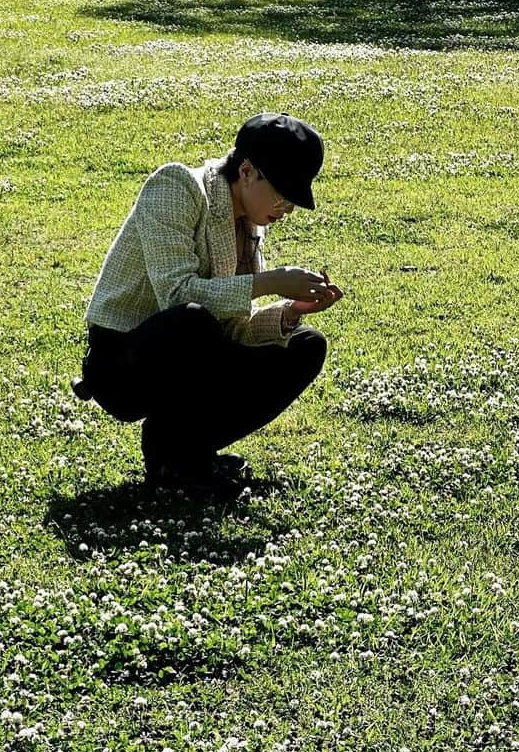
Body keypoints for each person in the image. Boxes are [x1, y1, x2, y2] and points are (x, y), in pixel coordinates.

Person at [79, 112, 343, 500]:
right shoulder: (177, 186)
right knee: (193, 321)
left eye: (296, 197)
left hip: (192, 347)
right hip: (123, 362)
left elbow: (233, 328)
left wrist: (292, 312)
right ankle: (176, 459)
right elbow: (176, 295)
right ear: (248, 171)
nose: (287, 208)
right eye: (283, 192)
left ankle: (189, 455)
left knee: (306, 344)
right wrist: (267, 282)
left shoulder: (249, 224)